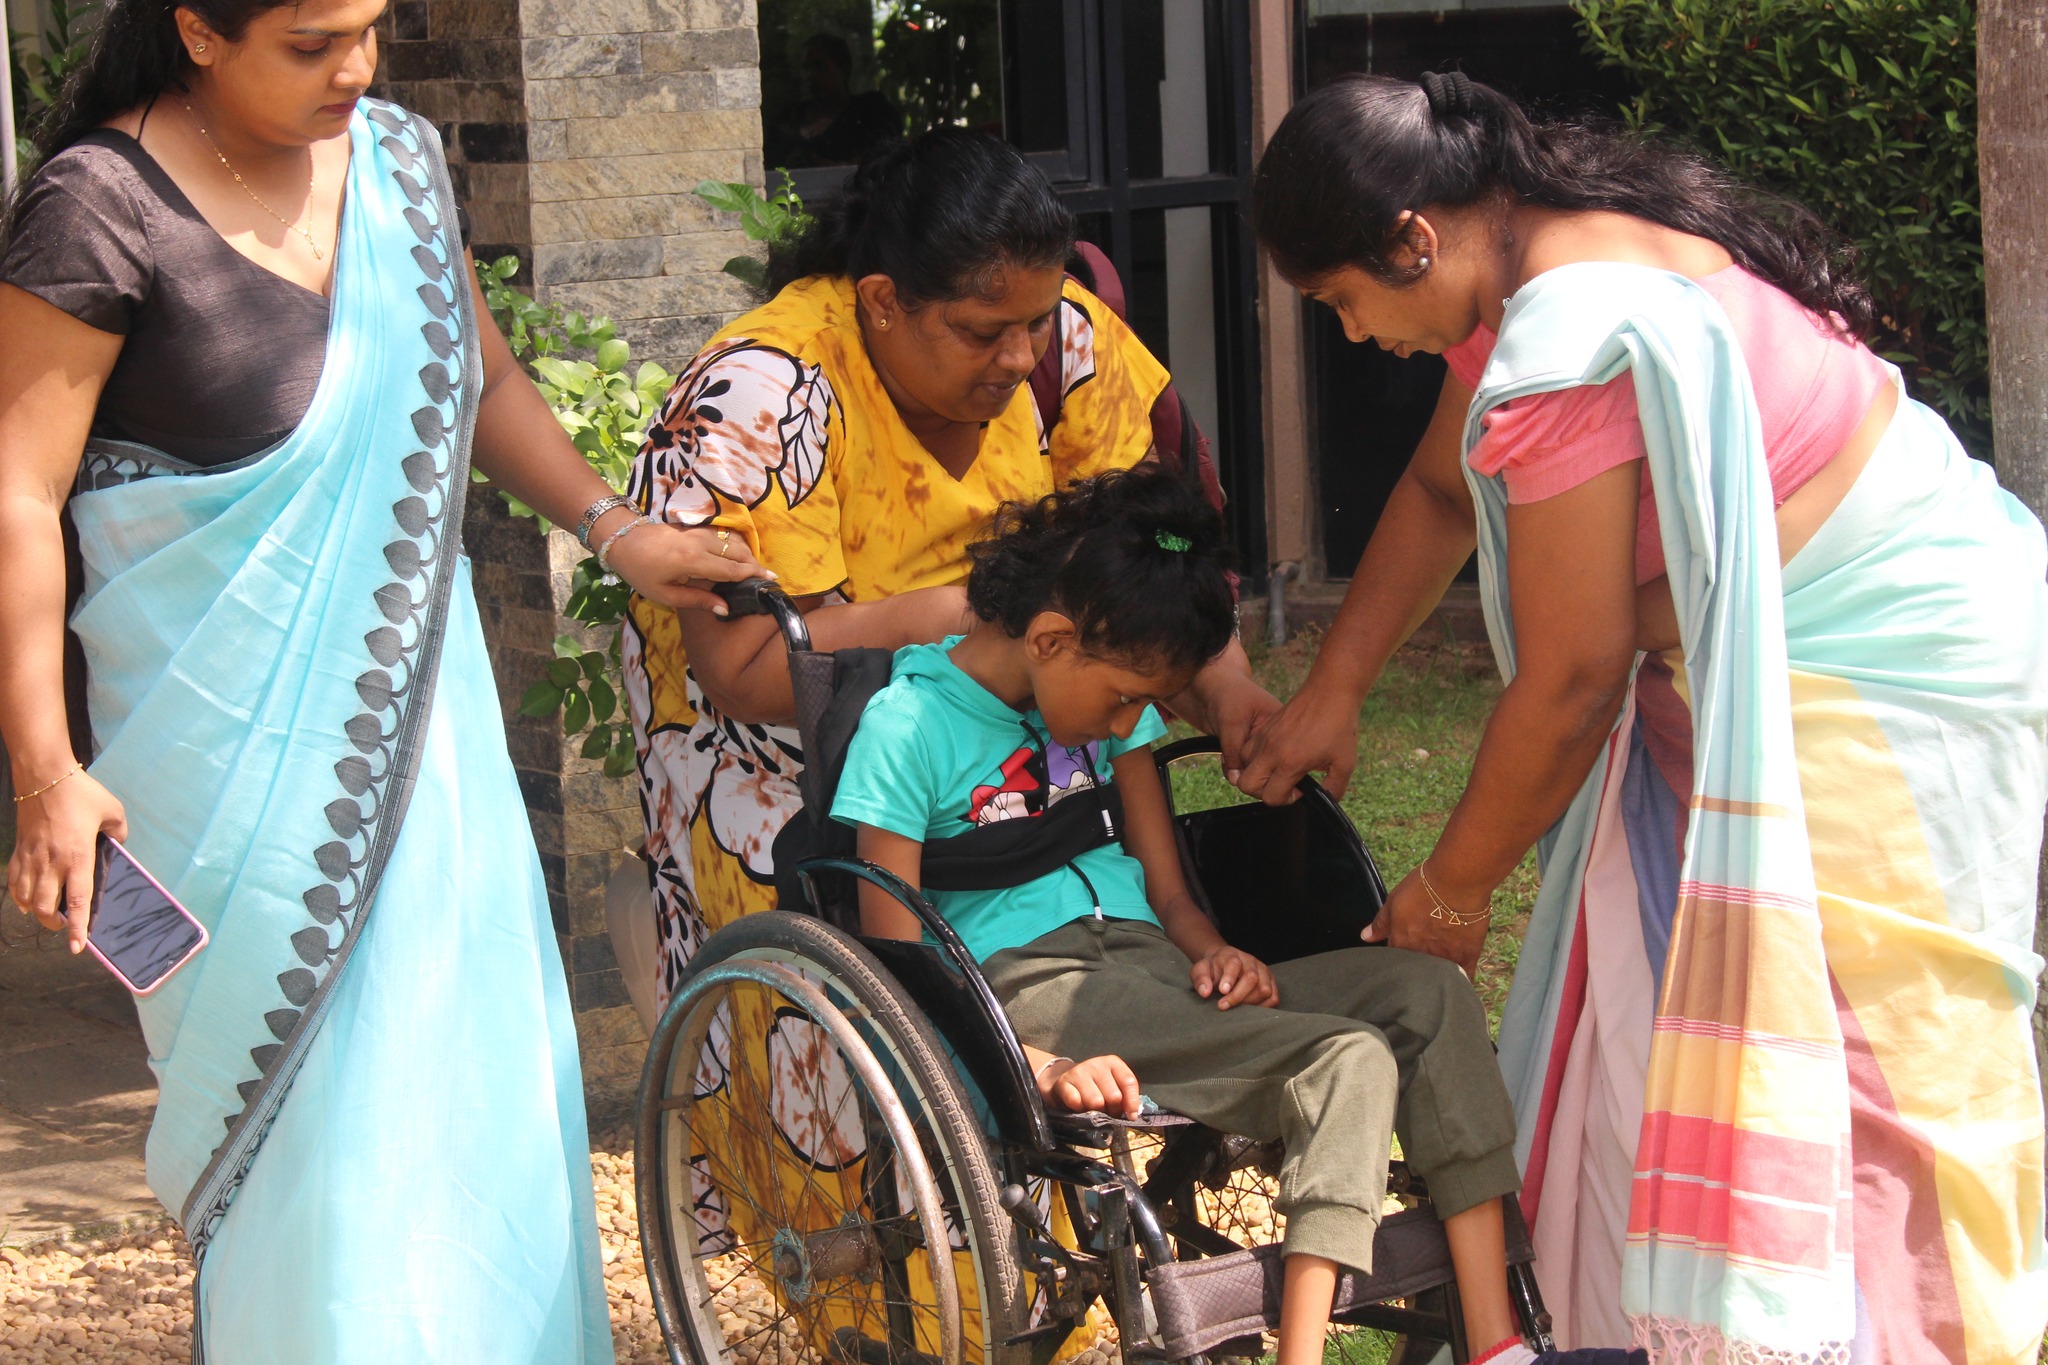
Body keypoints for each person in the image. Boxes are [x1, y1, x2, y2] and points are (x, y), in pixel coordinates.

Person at [1238, 71, 2048, 1365]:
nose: (1352, 335)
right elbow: (1443, 493)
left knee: (1857, 1060)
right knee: (1707, 1024)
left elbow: (1573, 678)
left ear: (1412, 239)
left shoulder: (1562, 336)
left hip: (1886, 670)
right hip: (1832, 633)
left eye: (1340, 300)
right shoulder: (1530, 256)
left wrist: (1452, 890)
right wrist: (1332, 690)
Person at [0, 0, 760, 1358]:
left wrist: (617, 531)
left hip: (426, 744)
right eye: (311, 43)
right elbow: (18, 491)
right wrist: (46, 772)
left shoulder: (401, 160)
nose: (355, 69)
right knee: (317, 1144)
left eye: (371, 31)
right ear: (197, 30)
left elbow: (483, 379)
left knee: (462, 1084)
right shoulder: (97, 208)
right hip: (217, 766)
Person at [834, 466, 1639, 1365]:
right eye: (1125, 698)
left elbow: (1170, 890)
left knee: (1430, 992)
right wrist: (1038, 1063)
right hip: (1035, 993)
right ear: (1052, 639)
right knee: (1345, 1058)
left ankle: (1496, 1344)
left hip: (1153, 970)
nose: (1132, 723)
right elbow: (899, 972)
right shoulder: (908, 730)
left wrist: (1213, 950)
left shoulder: (1104, 704)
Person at [622, 126, 1275, 1012]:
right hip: (795, 795)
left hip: (1026, 796)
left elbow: (1145, 563)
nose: (1021, 357)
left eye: (1035, 322)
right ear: (883, 301)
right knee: (837, 1053)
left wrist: (1226, 689)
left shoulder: (1069, 346)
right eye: (981, 332)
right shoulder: (767, 392)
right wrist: (969, 615)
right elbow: (745, 669)